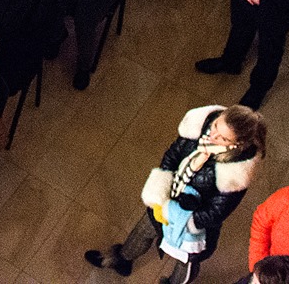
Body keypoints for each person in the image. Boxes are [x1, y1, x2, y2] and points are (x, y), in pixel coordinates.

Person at [85, 103, 265, 282]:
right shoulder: (198, 129)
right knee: (142, 231)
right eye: (217, 124)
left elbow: (215, 213)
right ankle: (122, 260)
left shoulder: (236, 174)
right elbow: (172, 156)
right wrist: (161, 194)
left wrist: (182, 217)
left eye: (223, 139)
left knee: (185, 262)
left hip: (193, 227)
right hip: (166, 200)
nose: (212, 135)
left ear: (237, 144)